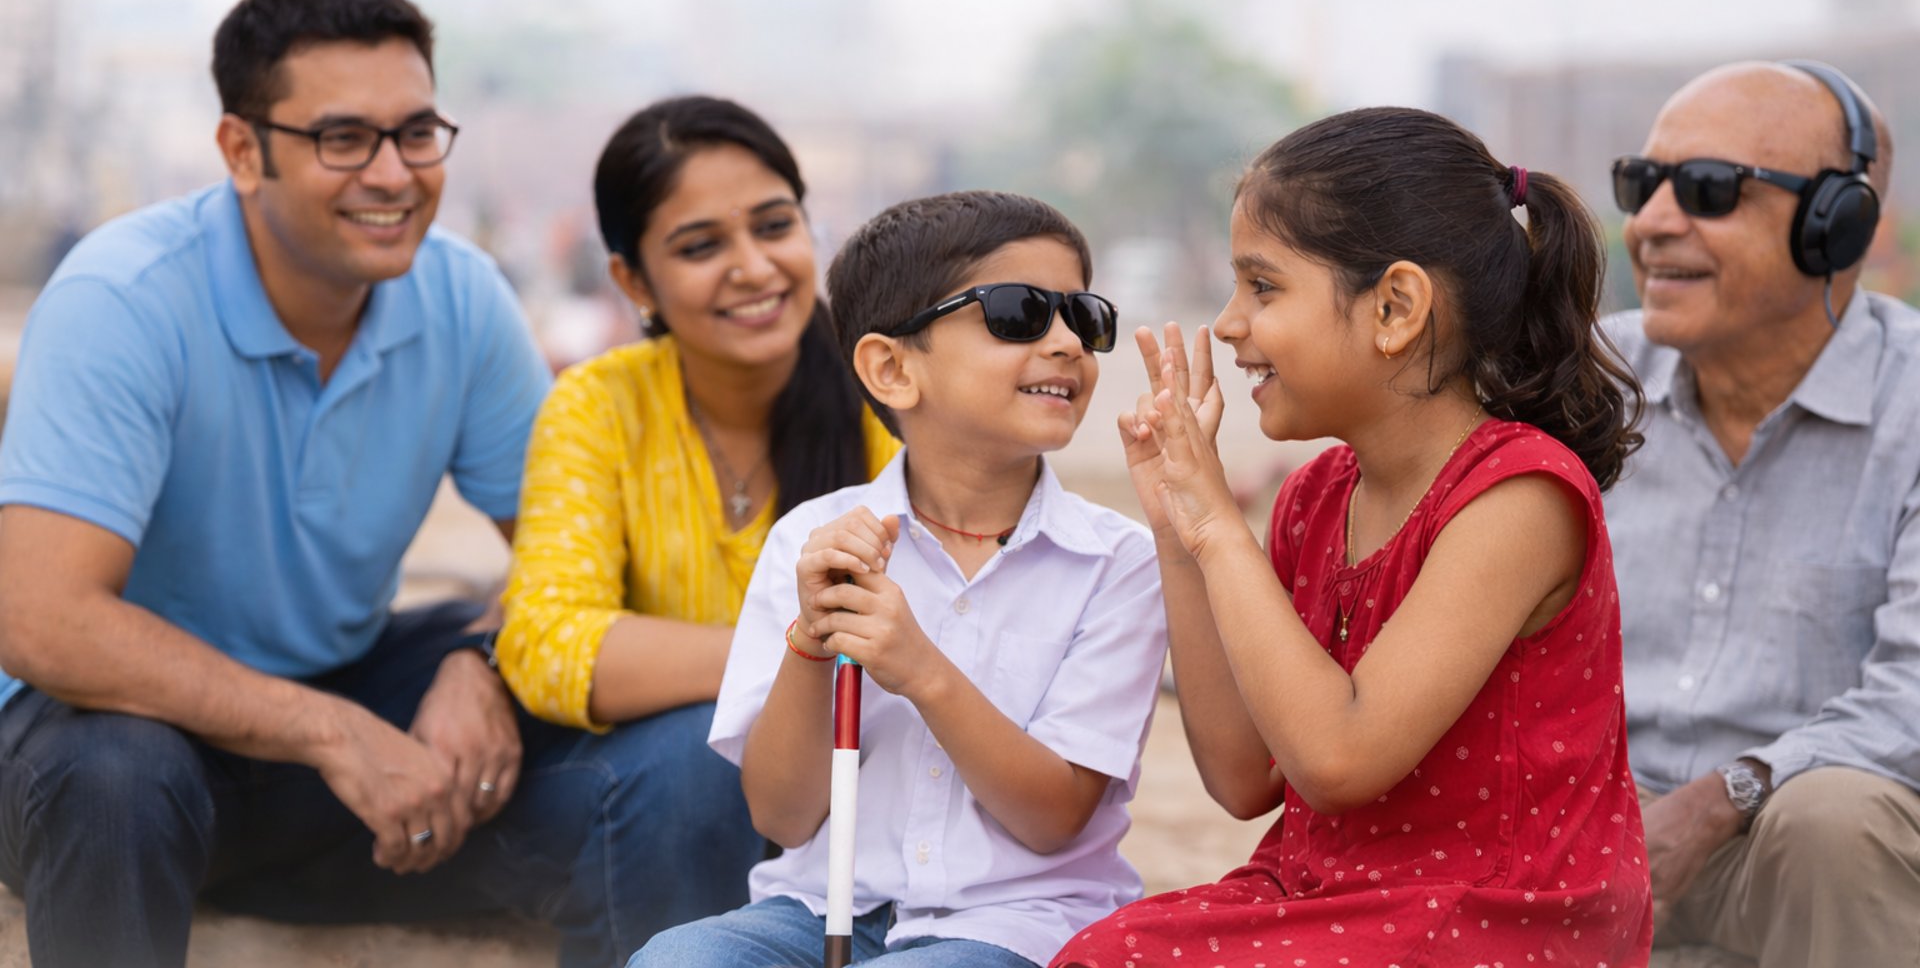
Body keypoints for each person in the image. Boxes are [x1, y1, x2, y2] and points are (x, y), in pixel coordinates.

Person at [0, 0, 698, 968]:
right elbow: (43, 618)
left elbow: (571, 566)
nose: (394, 173)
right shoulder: (125, 298)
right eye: (343, 138)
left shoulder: (461, 298)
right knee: (115, 775)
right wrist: (332, 732)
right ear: (243, 151)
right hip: (113, 742)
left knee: (671, 741)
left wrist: (484, 662)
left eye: (417, 132)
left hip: (340, 705)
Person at [1056, 108, 1653, 968]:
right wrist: (1182, 529)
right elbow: (1242, 776)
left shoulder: (1517, 495)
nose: (1227, 324)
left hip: (1500, 914)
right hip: (1336, 892)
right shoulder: (1316, 497)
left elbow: (1338, 757)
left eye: (1262, 287)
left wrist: (1222, 527)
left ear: (1396, 307)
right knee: (1108, 947)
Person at [632, 191, 1169, 968]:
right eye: (1017, 312)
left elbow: (1054, 818)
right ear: (891, 368)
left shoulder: (1117, 563)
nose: (1066, 344)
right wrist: (810, 645)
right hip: (817, 910)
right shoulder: (811, 543)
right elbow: (781, 814)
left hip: (1013, 926)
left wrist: (920, 669)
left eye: (1082, 317)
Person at [495, 97, 899, 896]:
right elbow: (546, 643)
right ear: (632, 280)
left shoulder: (886, 395)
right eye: (701, 245)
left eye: (774, 226)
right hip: (654, 790)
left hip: (857, 784)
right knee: (694, 753)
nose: (752, 266)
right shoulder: (598, 405)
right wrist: (791, 661)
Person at [1603, 60, 1920, 967]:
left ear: (1837, 227)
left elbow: (1914, 699)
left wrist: (1723, 797)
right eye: (1642, 182)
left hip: (1795, 855)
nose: (1654, 221)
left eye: (1708, 191)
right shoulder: (1582, 388)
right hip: (1590, 843)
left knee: (1837, 818)